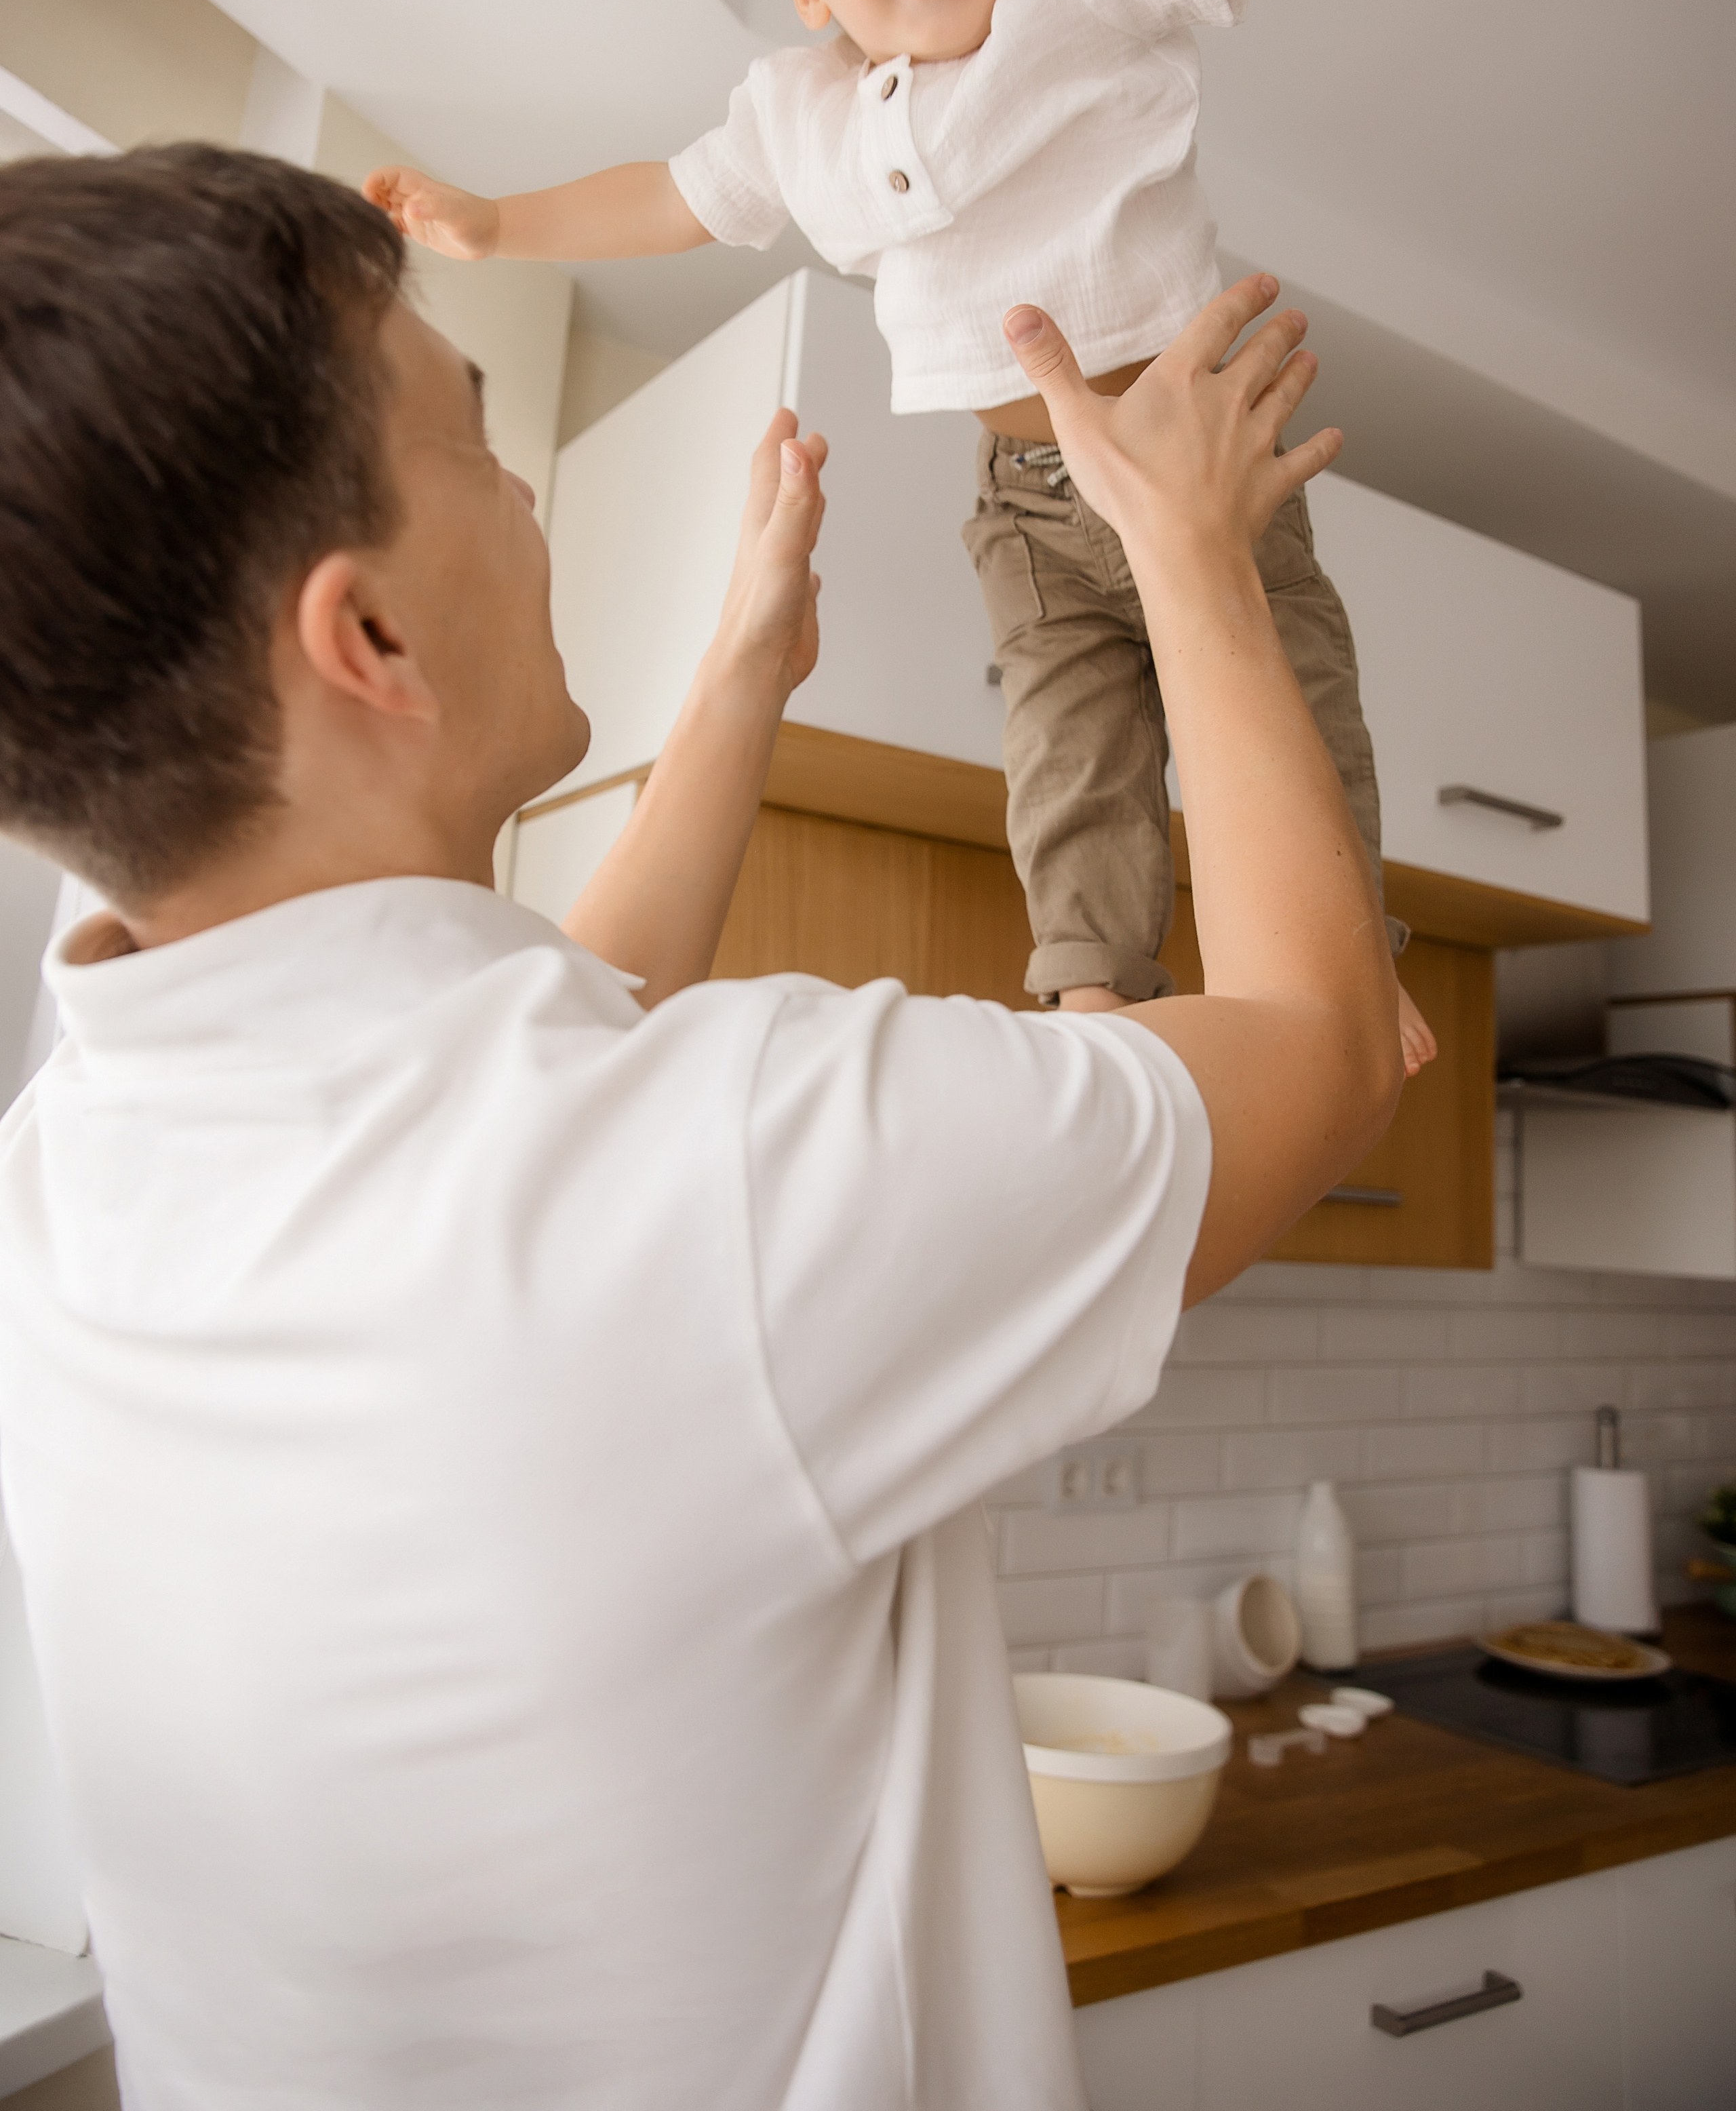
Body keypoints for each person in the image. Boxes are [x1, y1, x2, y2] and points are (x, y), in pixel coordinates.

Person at [0, 144, 1399, 2108]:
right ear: (369, 643)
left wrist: (742, 673)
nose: (520, 492)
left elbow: (545, 1074)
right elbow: (1323, 1044)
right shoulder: (730, 1174)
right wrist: (1183, 552)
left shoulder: (69, 1174)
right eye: (478, 446)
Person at [365, 0, 1448, 1074]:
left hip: (1184, 449)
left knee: (1292, 702)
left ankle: (1352, 959)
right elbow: (670, 197)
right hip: (1022, 502)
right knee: (1066, 753)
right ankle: (1088, 1001)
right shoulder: (799, 115)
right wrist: (497, 224)